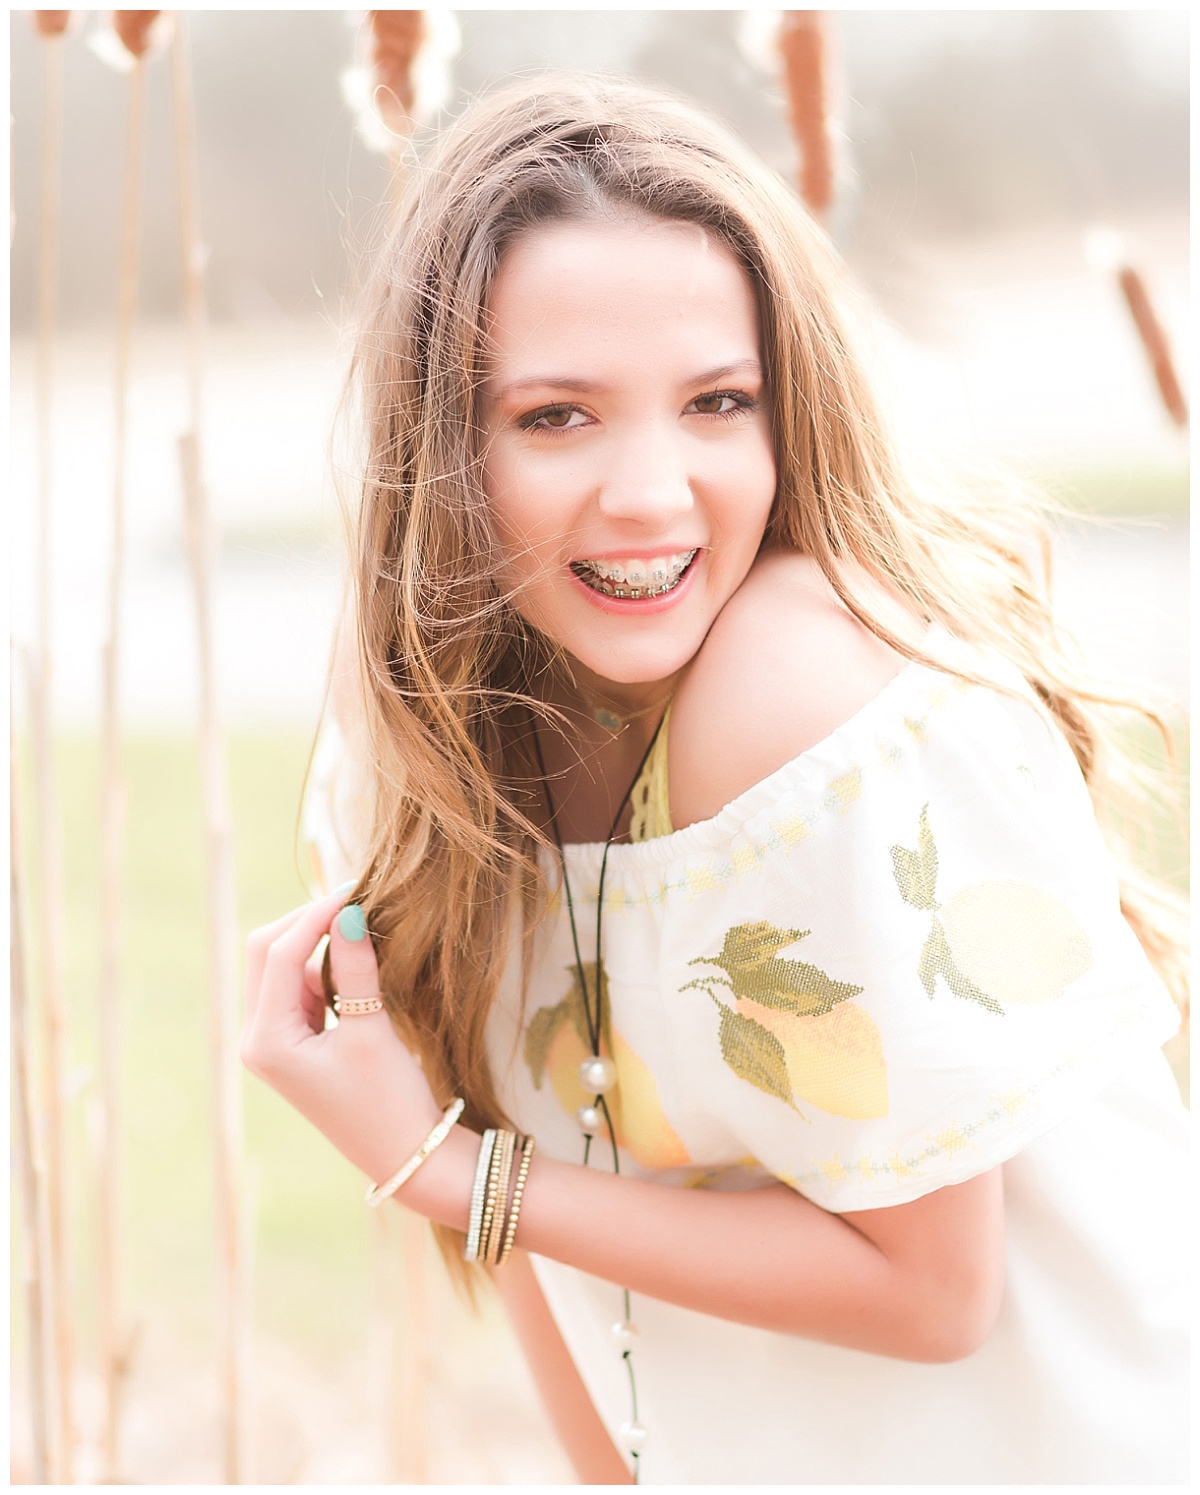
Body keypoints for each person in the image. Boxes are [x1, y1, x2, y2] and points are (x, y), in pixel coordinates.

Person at [242, 78, 1188, 1484]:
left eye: (716, 403)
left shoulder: (794, 693)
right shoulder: (415, 763)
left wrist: (452, 1175)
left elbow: (934, 1294)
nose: (650, 492)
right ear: (444, 446)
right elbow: (551, 1274)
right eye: (556, 417)